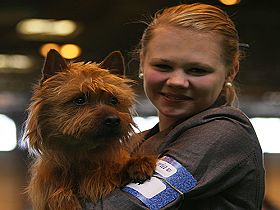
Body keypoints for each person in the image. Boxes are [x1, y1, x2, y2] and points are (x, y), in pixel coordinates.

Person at [89, 3, 265, 209]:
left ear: (231, 71)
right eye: (163, 66)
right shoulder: (132, 142)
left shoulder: (226, 134)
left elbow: (127, 206)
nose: (177, 82)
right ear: (141, 62)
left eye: (197, 70)